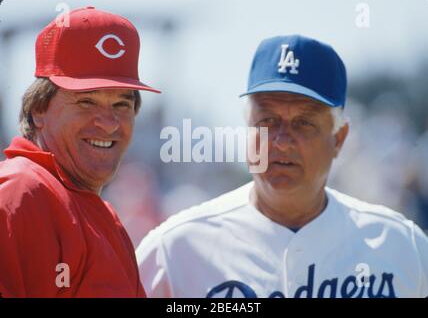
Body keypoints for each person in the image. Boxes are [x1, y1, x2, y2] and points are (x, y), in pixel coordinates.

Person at [136, 35, 428, 298]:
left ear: (338, 139)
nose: (282, 141)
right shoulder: (175, 249)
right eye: (267, 121)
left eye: (303, 123)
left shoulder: (402, 246)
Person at [0, 6, 160, 297]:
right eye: (86, 102)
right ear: (38, 110)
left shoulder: (104, 216)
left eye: (121, 104)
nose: (109, 123)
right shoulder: (20, 193)